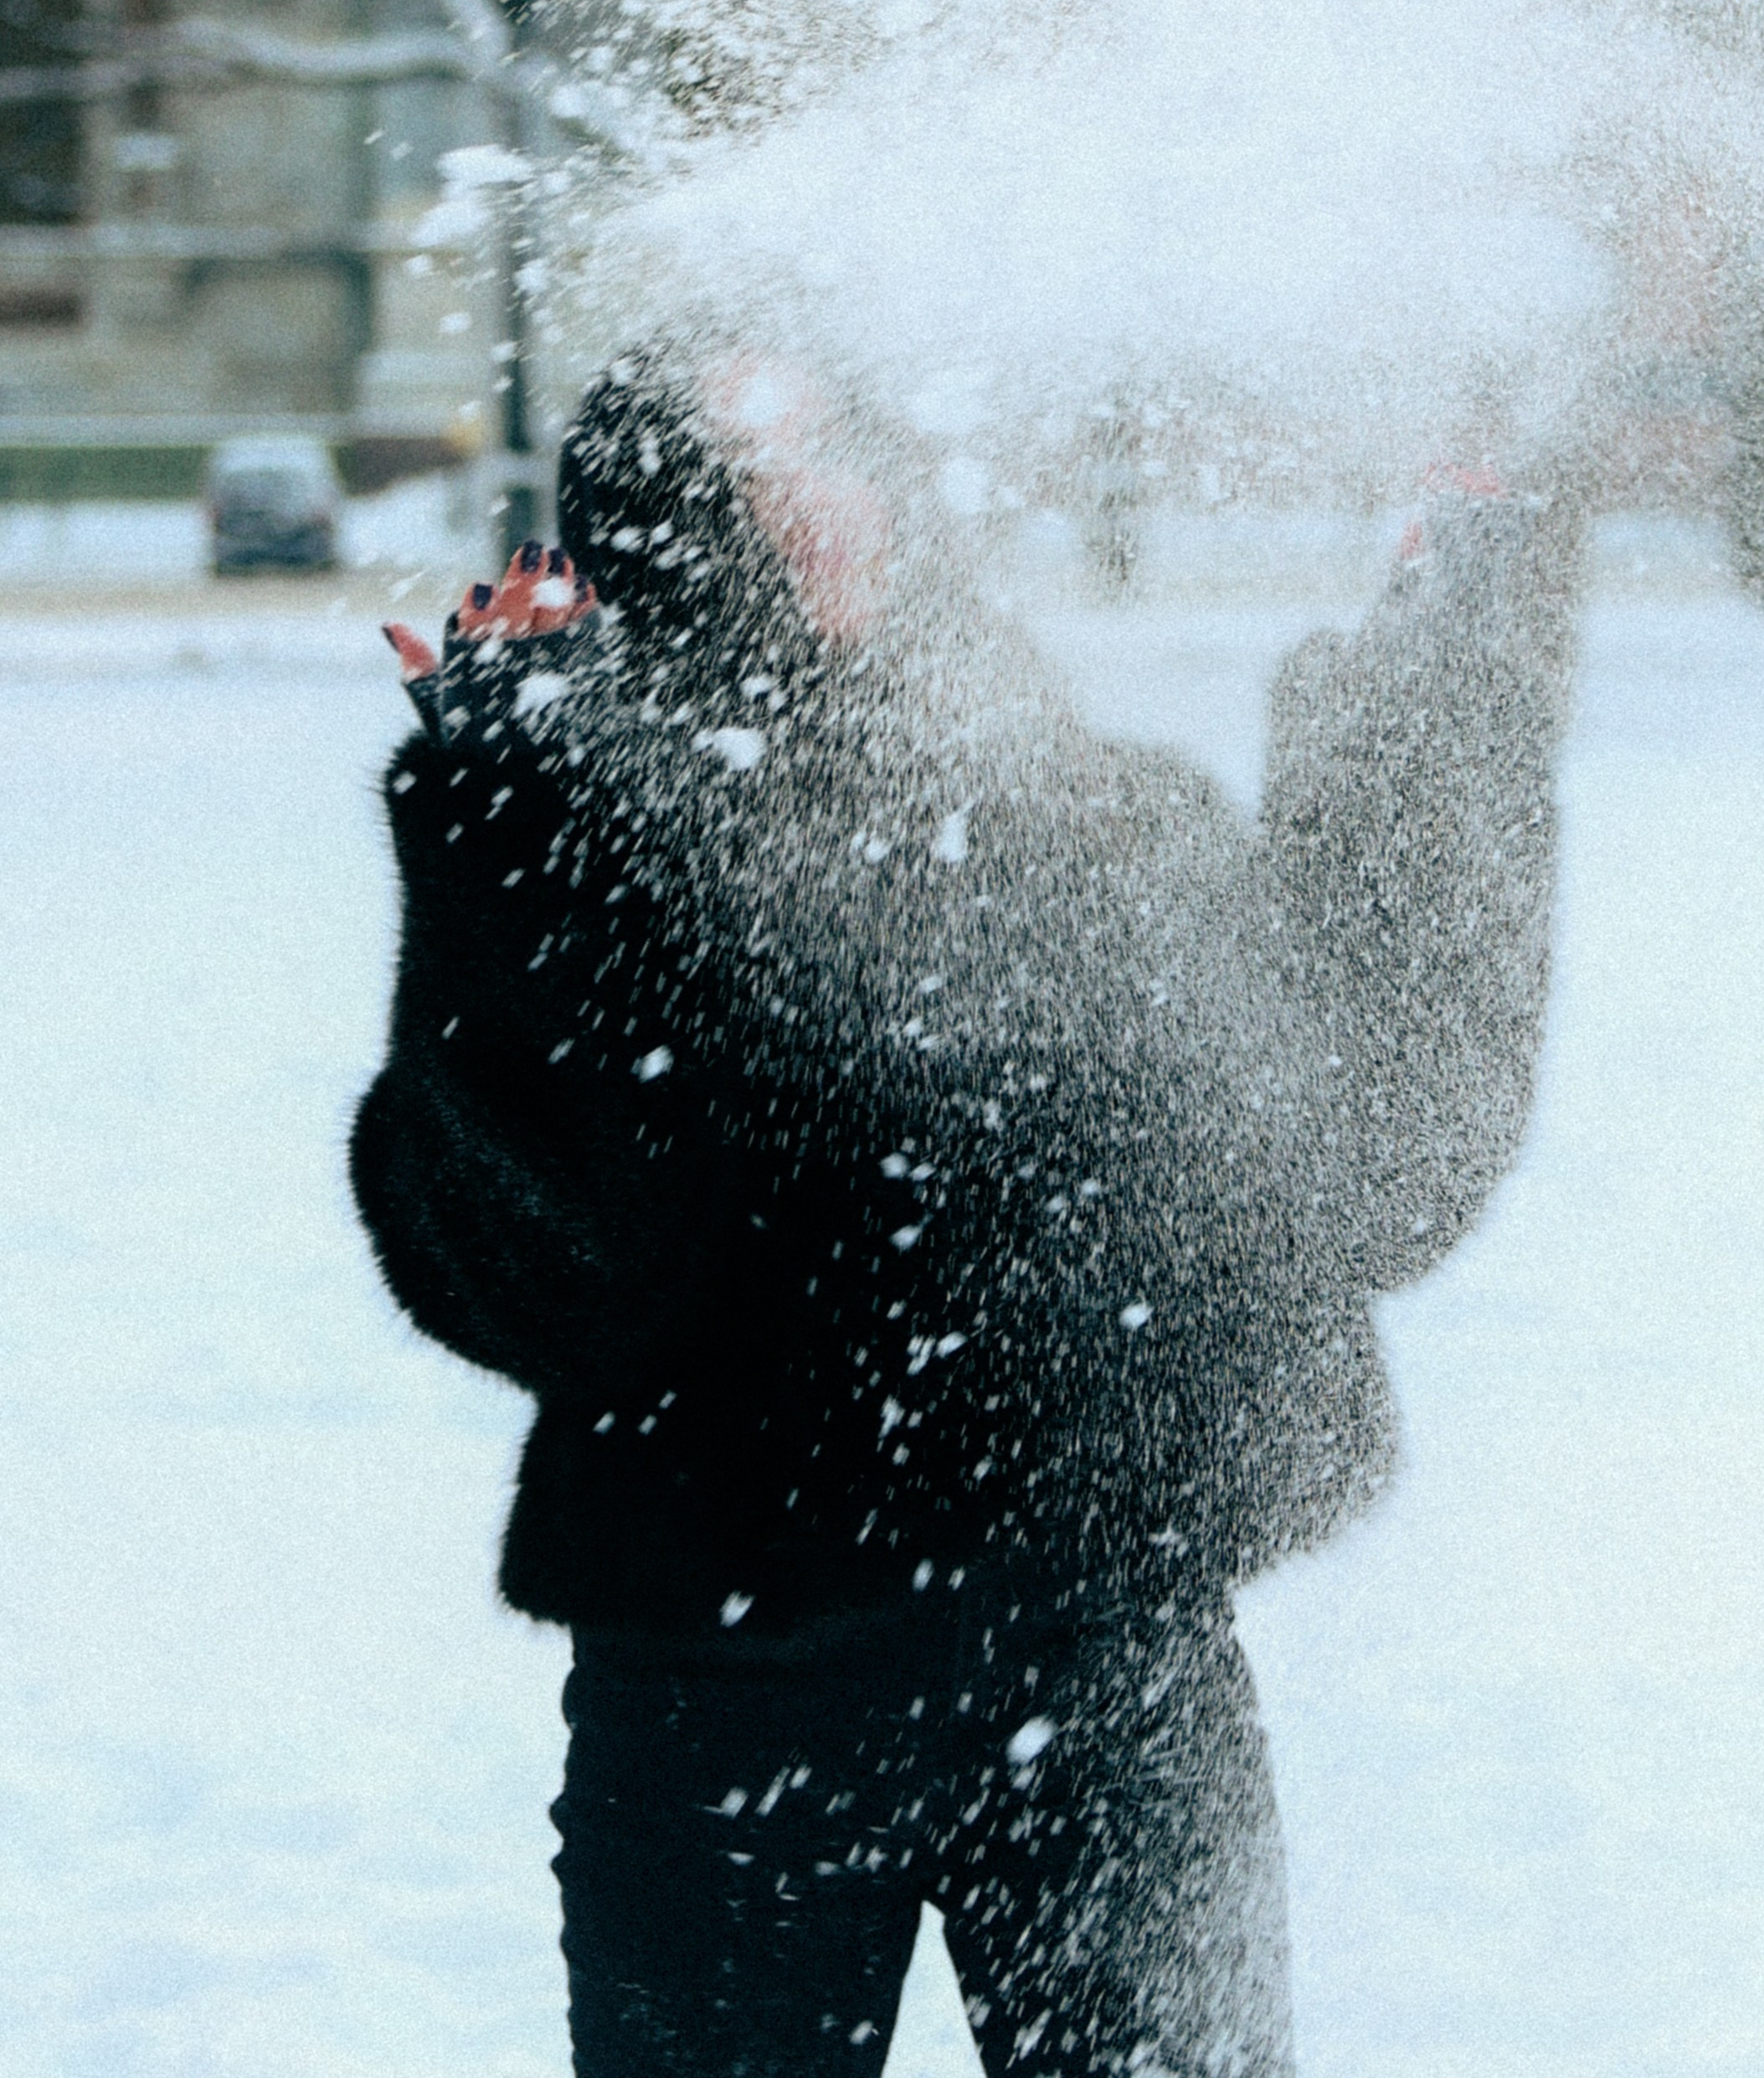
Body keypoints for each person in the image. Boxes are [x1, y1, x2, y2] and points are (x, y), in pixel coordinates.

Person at [352, 348, 1580, 2077]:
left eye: (841, 453)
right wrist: (512, 830)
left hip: (1110, 1675)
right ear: (659, 517)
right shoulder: (585, 828)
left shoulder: (1092, 820)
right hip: (725, 1704)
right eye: (754, 480)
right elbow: (545, 1265)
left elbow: (1367, 1155)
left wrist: (1433, 701)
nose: (824, 510)